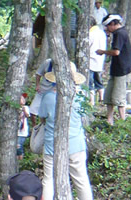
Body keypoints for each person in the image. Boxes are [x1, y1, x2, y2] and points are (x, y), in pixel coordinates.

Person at [37, 62, 93, 200]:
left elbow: (42, 118)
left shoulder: (48, 97)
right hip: (76, 144)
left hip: (52, 145)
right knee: (81, 180)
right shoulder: (80, 96)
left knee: (48, 179)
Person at [97, 14, 131, 125]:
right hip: (116, 70)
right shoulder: (117, 34)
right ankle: (110, 120)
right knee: (109, 96)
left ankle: (122, 121)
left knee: (119, 97)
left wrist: (103, 52)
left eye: (107, 26)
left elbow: (116, 52)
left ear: (113, 24)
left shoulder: (120, 33)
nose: (106, 28)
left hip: (123, 71)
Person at [88, 23, 108, 105]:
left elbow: (87, 45)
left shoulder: (90, 34)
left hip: (91, 59)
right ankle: (102, 98)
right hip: (100, 60)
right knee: (98, 80)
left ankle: (91, 101)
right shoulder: (102, 33)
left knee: (90, 82)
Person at [16, 93, 30, 160]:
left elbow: (27, 115)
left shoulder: (26, 107)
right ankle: (18, 158)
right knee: (16, 147)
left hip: (23, 131)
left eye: (24, 99)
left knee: (19, 145)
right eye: (21, 98)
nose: (23, 100)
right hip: (17, 130)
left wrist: (24, 110)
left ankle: (21, 158)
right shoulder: (16, 108)